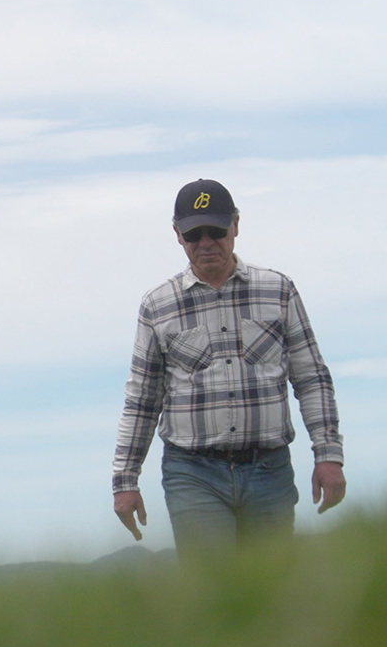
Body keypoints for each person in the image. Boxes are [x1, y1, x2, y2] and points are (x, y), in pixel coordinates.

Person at [110, 179, 345, 561]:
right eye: (194, 234)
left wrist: (328, 455)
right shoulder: (157, 306)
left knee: (270, 588)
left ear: (236, 225)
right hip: (192, 472)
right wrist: (125, 481)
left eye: (216, 231)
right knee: (212, 590)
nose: (206, 243)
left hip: (269, 469)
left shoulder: (279, 291)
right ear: (177, 235)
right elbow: (142, 399)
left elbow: (311, 378)